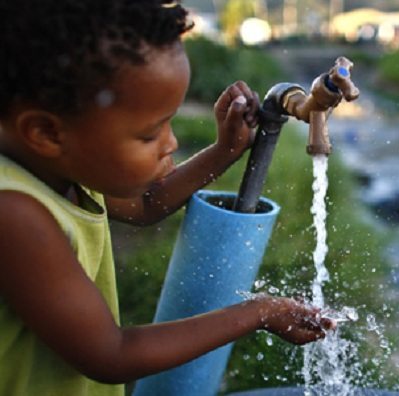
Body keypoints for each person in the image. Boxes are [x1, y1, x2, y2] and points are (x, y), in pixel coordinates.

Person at [0, 1, 334, 395]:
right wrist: (258, 312)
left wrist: (224, 150)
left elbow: (147, 204)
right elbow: (110, 353)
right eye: (149, 133)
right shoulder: (13, 212)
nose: (171, 142)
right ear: (46, 132)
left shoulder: (59, 166)